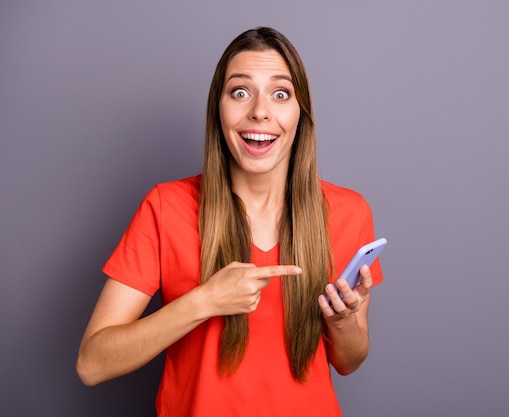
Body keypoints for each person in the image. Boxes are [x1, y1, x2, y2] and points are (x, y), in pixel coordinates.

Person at [76, 26, 384, 416]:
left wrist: (341, 323)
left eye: (280, 93)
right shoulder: (165, 206)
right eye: (240, 92)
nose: (259, 110)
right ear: (217, 110)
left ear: (300, 113)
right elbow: (92, 363)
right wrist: (204, 301)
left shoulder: (349, 211)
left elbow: (349, 361)